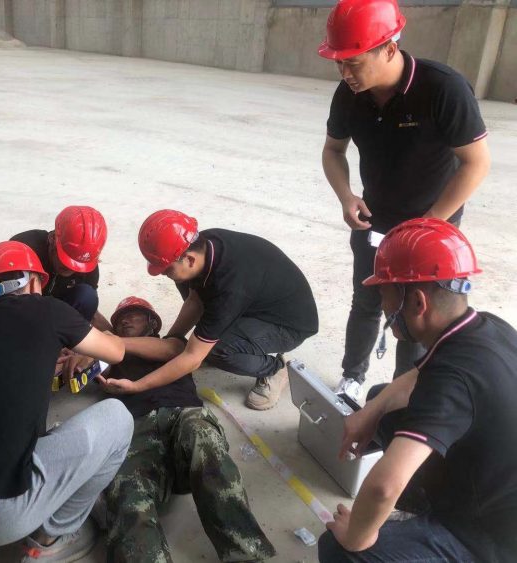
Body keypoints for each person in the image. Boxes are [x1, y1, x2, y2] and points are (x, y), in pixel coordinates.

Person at [0, 241, 133, 562]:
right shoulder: (49, 310)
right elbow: (117, 352)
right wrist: (104, 339)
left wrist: (41, 361)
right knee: (117, 418)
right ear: (34, 283)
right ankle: (51, 539)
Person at [318, 0, 491, 400]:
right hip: (374, 220)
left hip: (432, 223)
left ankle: (402, 393)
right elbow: (333, 150)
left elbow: (476, 163)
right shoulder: (348, 94)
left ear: (389, 49)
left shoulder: (443, 88)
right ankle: (352, 378)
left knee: (416, 313)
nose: (345, 74)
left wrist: (429, 223)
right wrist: (346, 196)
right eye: (339, 64)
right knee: (367, 300)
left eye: (353, 63)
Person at [318, 218, 517, 563]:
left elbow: (383, 487)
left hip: (492, 538)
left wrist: (355, 536)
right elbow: (418, 376)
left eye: (384, 294)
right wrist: (372, 410)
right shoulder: (484, 327)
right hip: (497, 486)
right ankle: (420, 512)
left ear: (417, 303)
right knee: (383, 400)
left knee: (340, 550)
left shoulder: (453, 378)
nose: (382, 306)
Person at [91, 296, 276, 562]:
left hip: (183, 415)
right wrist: (93, 348)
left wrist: (112, 339)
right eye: (119, 319)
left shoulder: (172, 343)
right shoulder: (110, 357)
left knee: (202, 434)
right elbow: (89, 332)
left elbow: (170, 350)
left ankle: (246, 554)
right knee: (123, 489)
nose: (125, 321)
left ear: (153, 323)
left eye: (133, 314)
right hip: (135, 430)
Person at [102, 209, 317, 411]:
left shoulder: (229, 288)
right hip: (256, 298)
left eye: (166, 269)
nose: (163, 274)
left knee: (217, 350)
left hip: (287, 324)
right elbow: (195, 300)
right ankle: (219, 338)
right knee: (186, 285)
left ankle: (275, 368)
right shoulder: (202, 246)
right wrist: (171, 341)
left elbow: (193, 357)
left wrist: (138, 385)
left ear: (189, 259)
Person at [0, 205, 113, 330]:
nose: (71, 268)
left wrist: (116, 337)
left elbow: (91, 311)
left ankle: (65, 343)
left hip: (51, 314)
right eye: (66, 259)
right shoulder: (23, 249)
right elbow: (0, 302)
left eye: (78, 264)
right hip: (11, 311)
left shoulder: (87, 264)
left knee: (87, 296)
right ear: (52, 238)